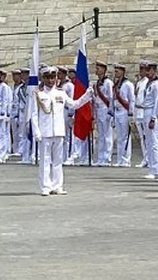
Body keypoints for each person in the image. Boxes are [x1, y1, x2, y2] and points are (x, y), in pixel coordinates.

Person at [32, 66, 93, 196]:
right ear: (43, 78)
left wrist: (86, 96)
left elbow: (74, 104)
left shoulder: (60, 93)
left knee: (58, 160)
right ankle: (45, 186)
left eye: (53, 77)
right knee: (45, 160)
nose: (50, 80)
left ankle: (57, 185)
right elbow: (34, 114)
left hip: (59, 131)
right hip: (45, 131)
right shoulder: (39, 94)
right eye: (48, 78)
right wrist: (36, 130)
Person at [141, 62, 158, 179]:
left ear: (154, 71)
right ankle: (152, 168)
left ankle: (157, 170)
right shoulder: (148, 84)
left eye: (149, 70)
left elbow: (156, 102)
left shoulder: (156, 85)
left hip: (151, 113)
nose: (147, 73)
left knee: (154, 143)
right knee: (149, 142)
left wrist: (153, 118)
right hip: (146, 111)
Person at [91, 61, 114, 167]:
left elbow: (110, 97)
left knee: (107, 135)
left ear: (104, 70)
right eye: (96, 68)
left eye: (99, 68)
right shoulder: (96, 83)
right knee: (100, 135)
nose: (97, 70)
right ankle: (100, 157)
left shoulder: (108, 82)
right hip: (99, 109)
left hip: (105, 109)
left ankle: (107, 157)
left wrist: (110, 111)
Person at [112, 63, 135, 167]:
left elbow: (131, 99)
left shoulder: (128, 84)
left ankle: (126, 159)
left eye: (117, 71)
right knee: (120, 137)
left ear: (123, 71)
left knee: (125, 136)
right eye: (115, 70)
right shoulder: (116, 84)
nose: (116, 72)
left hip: (124, 111)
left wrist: (131, 113)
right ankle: (120, 159)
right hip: (117, 111)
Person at [0, 67, 13, 163]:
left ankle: (2, 155)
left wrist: (4, 112)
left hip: (0, 109)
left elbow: (5, 100)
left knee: (1, 133)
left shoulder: (4, 86)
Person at [134, 60, 151, 169]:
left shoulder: (148, 83)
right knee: (142, 137)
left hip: (145, 111)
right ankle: (145, 157)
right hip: (138, 111)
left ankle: (149, 158)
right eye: (140, 69)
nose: (141, 71)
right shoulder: (139, 82)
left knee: (147, 137)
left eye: (143, 69)